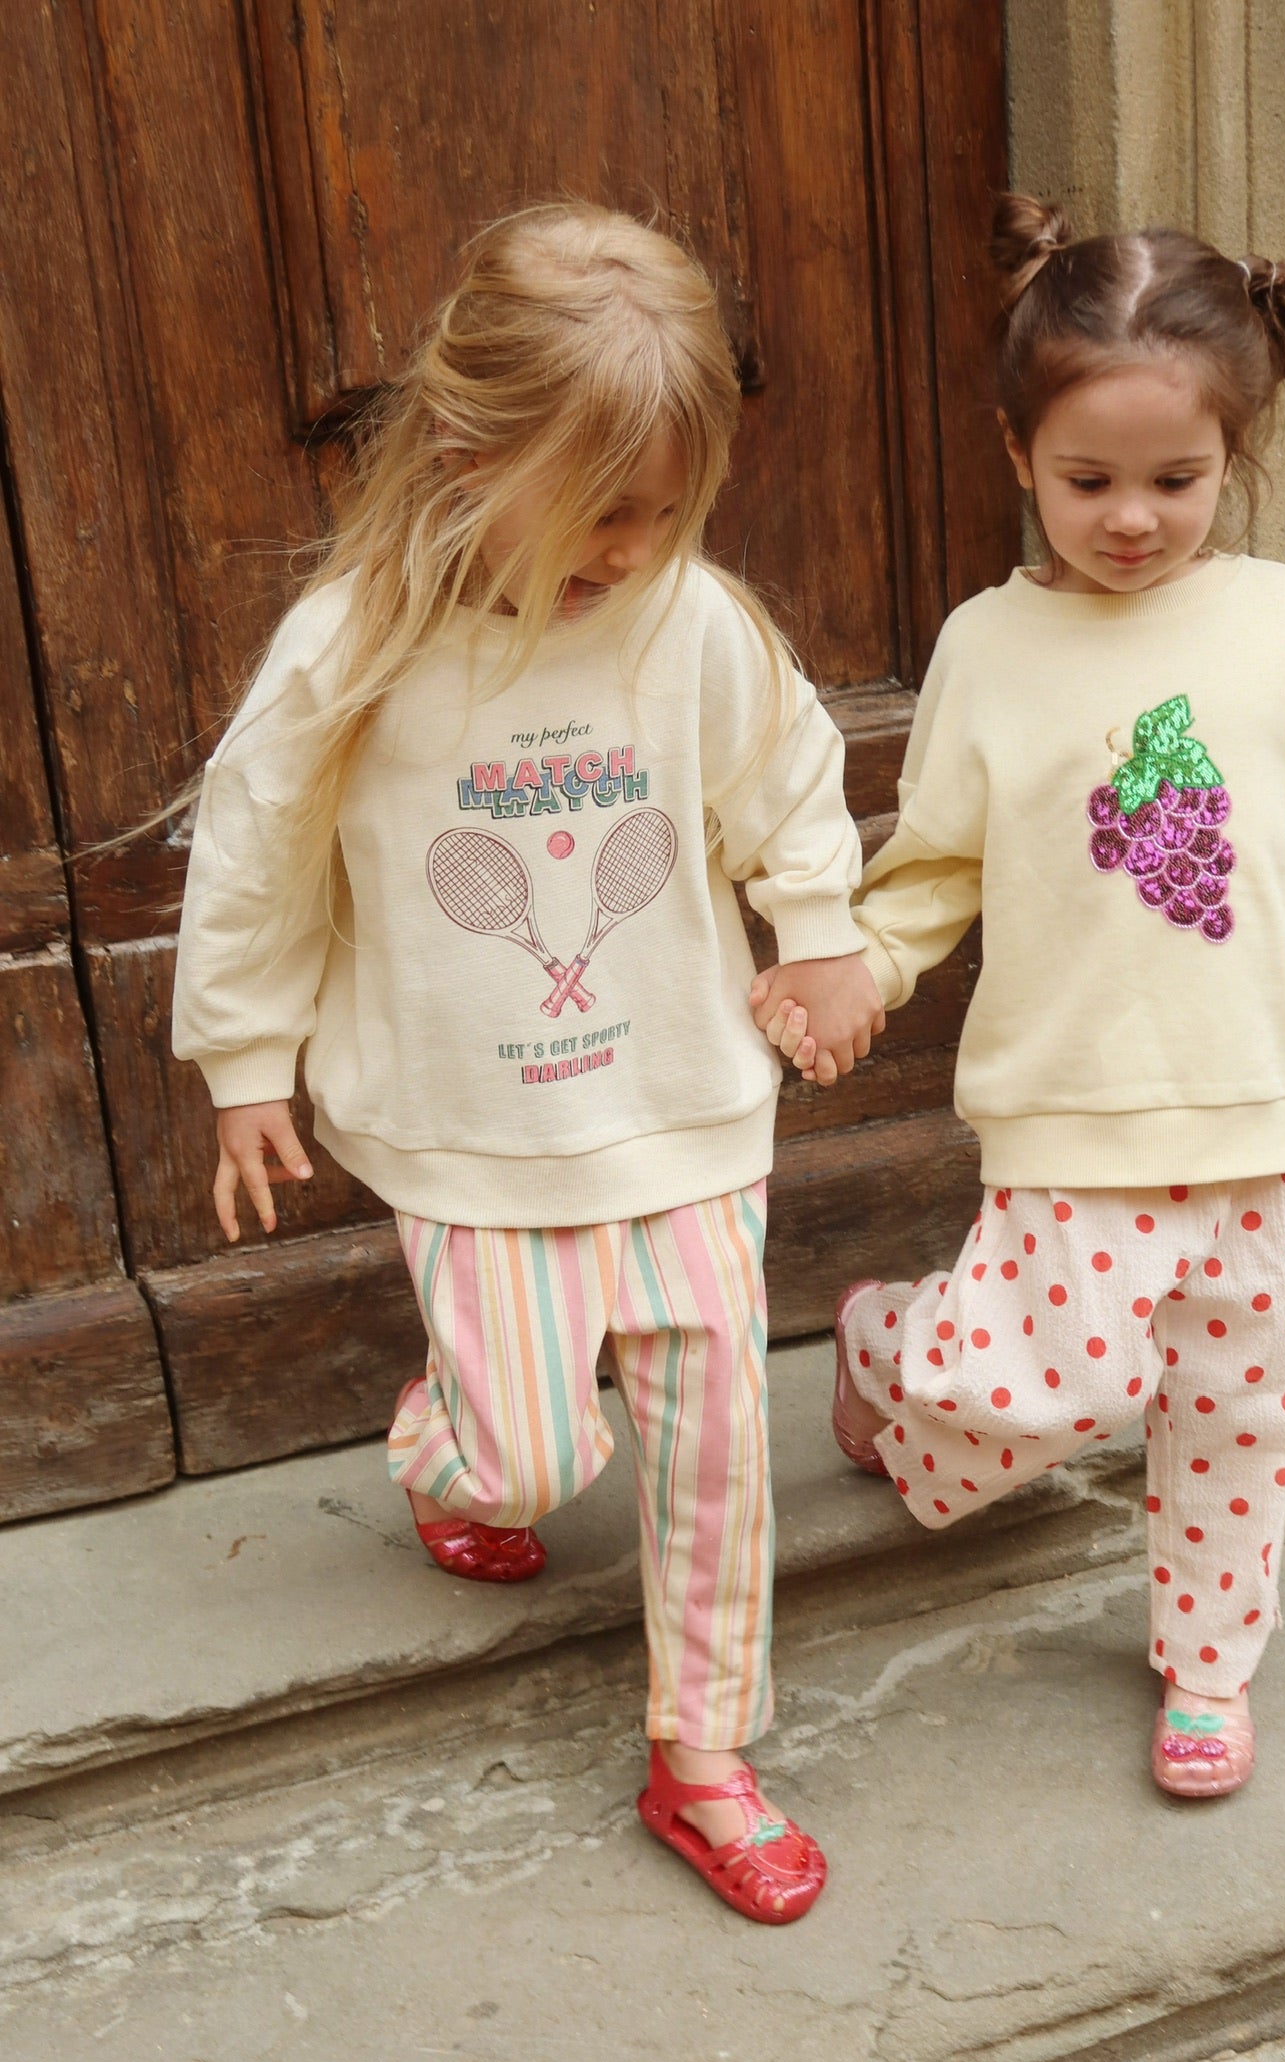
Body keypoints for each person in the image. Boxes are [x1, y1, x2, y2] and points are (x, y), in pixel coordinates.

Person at [172, 202, 885, 1920]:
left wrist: (818, 932)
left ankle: (704, 1755)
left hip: (684, 1107)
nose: (629, 550)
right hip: (474, 1128)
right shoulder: (353, 648)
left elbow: (786, 780)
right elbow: (257, 860)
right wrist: (246, 1061)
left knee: (714, 1445)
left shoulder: (690, 623)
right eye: (599, 510)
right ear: (467, 452)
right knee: (528, 1465)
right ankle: (442, 1449)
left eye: (662, 512)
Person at [754, 195, 1285, 1799]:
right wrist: (867, 960)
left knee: (1235, 1409)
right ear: (1019, 456)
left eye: (1175, 481)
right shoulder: (990, 647)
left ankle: (1209, 1661)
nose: (1132, 519)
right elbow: (937, 860)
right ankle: (889, 1348)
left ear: (1232, 457)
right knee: (1045, 1382)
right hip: (1071, 1103)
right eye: (1090, 482)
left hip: (1263, 1099)